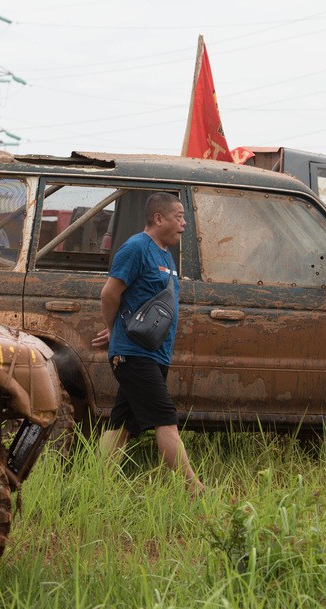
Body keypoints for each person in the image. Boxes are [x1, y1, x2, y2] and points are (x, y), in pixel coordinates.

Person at [90, 192, 204, 498]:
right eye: (179, 216)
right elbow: (109, 294)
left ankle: (95, 487)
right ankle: (194, 489)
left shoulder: (165, 254)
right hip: (134, 354)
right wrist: (115, 332)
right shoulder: (136, 248)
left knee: (121, 423)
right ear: (158, 218)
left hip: (154, 353)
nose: (183, 224)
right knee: (165, 419)